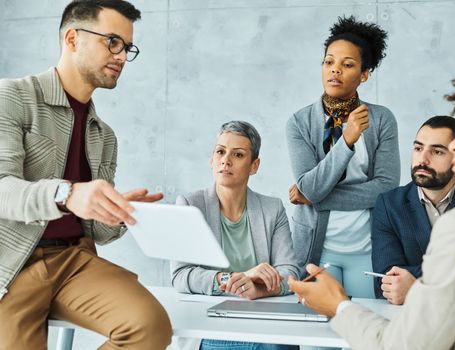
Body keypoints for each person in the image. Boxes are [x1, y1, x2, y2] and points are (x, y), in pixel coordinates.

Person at [0, 1, 172, 349]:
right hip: (13, 265)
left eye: (127, 47)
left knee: (150, 326)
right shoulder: (12, 97)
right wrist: (66, 194)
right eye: (112, 41)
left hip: (75, 261)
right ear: (73, 38)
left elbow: (100, 233)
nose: (122, 56)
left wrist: (120, 212)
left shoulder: (103, 135)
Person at [288, 59, 455, 349]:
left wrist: (338, 307)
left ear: (364, 74)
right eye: (418, 147)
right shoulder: (300, 122)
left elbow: (406, 345)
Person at [286, 15, 400, 298]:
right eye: (329, 62)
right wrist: (347, 139)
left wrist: (316, 198)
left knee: (362, 332)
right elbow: (309, 185)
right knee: (315, 338)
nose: (334, 70)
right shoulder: (299, 122)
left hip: (366, 247)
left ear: (364, 74)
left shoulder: (382, 119)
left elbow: (386, 188)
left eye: (347, 64)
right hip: (315, 248)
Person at [171, 121, 300, 350]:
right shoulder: (190, 205)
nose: (226, 160)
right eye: (220, 152)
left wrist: (259, 289)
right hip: (209, 326)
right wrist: (234, 279)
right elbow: (181, 275)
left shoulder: (272, 209)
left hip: (263, 323)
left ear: (254, 166)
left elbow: (290, 273)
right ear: (212, 160)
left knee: (280, 346)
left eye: (238, 155)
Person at [371, 116, 455, 304]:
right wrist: (454, 275)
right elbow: (386, 279)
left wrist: (415, 285)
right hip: (405, 318)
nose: (423, 159)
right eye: (418, 148)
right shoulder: (389, 204)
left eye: (437, 152)